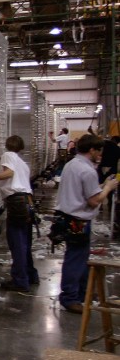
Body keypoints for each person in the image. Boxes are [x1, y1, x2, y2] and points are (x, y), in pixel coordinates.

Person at [53, 133, 118, 313]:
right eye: (99, 151)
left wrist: (101, 185)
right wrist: (107, 188)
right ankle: (70, 297)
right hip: (78, 221)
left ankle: (81, 294)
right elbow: (94, 201)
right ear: (91, 150)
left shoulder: (72, 165)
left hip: (67, 218)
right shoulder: (87, 170)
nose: (101, 155)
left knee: (79, 258)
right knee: (75, 259)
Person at [0, 135, 38, 292]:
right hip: (27, 201)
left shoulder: (8, 155)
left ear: (7, 145)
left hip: (16, 202)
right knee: (26, 242)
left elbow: (9, 173)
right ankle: (31, 275)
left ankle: (20, 281)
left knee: (17, 243)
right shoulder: (23, 163)